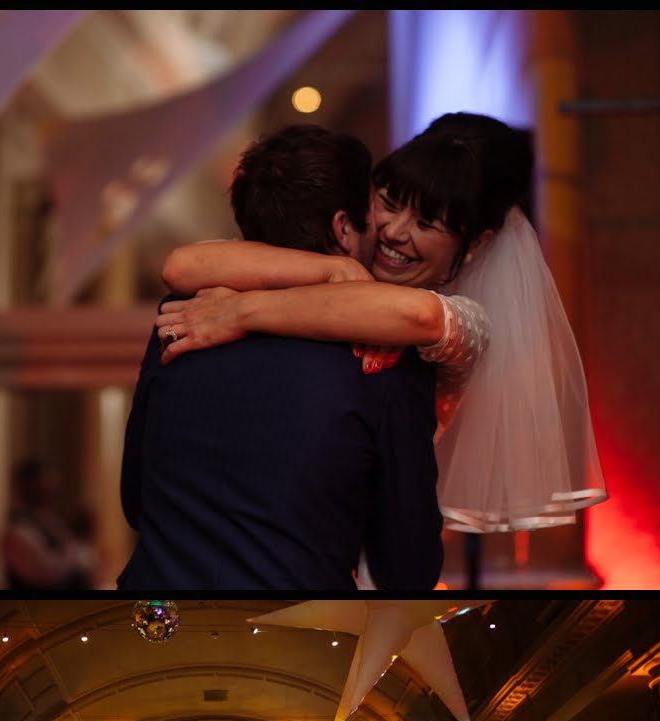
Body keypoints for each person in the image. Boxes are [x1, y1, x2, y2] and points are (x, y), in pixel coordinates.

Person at [156, 113, 606, 558]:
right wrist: (332, 269)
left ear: (475, 243)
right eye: (389, 202)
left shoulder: (465, 321)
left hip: (359, 547)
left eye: (426, 224)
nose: (393, 231)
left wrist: (240, 311)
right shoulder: (338, 263)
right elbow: (182, 265)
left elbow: (419, 315)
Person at [117, 123, 443, 592]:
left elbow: (135, 501)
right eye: (372, 220)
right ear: (343, 229)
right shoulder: (385, 349)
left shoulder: (182, 317)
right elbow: (407, 566)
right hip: (295, 623)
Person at [2, 458, 95, 590]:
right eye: (45, 482)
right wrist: (80, 543)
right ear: (26, 485)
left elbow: (83, 558)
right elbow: (49, 571)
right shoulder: (17, 531)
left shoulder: (50, 521)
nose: (52, 488)